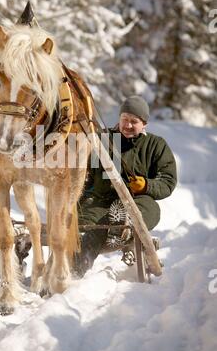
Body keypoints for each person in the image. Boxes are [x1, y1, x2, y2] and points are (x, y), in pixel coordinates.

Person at [73, 95, 177, 276]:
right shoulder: (102, 140)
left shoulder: (156, 145)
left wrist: (147, 186)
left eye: (134, 121)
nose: (128, 125)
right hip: (101, 201)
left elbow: (167, 181)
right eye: (125, 120)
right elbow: (85, 175)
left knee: (144, 210)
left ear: (144, 123)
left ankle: (122, 223)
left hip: (137, 200)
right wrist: (75, 201)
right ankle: (72, 268)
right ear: (119, 119)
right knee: (91, 225)